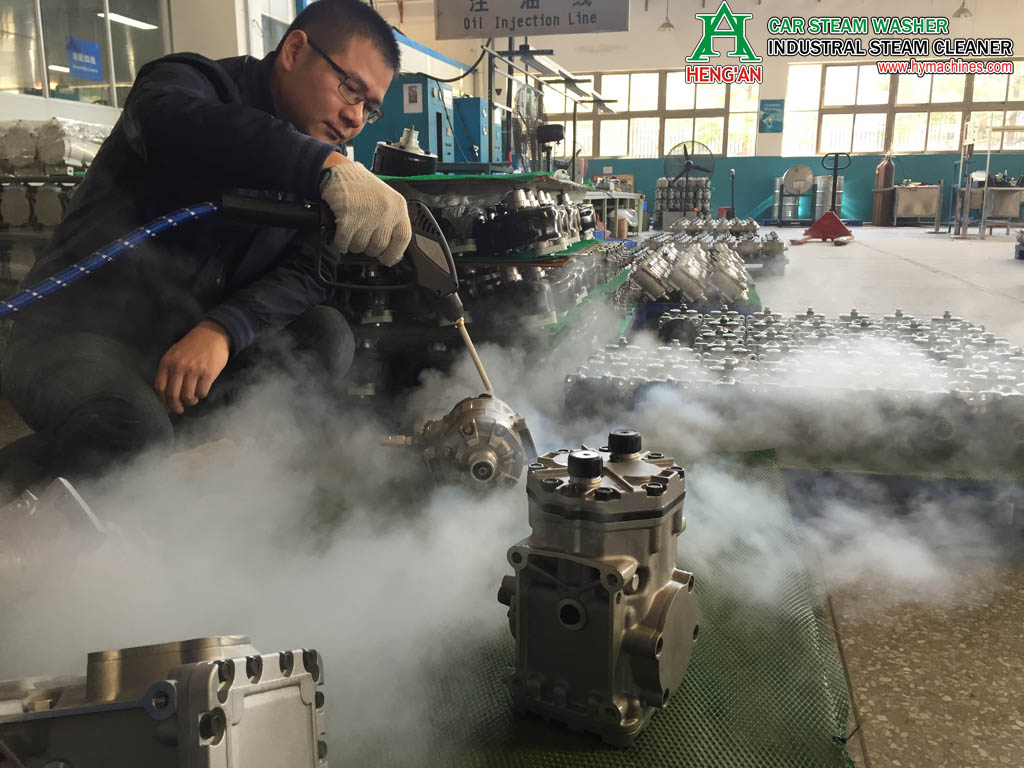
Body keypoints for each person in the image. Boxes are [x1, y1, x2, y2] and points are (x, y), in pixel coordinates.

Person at [0, 0, 411, 496]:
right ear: (295, 50)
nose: (355, 117)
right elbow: (170, 122)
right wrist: (317, 164)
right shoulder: (187, 84)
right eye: (350, 89)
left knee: (324, 334)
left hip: (183, 351)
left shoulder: (322, 159)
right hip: (69, 336)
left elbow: (310, 271)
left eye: (370, 108)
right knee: (132, 433)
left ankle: (185, 471)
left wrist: (224, 328)